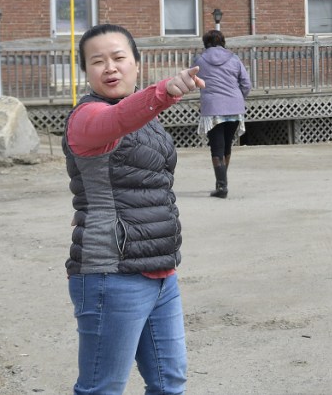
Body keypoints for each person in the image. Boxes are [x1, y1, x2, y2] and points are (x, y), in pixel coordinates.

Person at [63, 23, 204, 395]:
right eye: (97, 61)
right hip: (111, 273)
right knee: (102, 388)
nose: (109, 67)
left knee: (169, 382)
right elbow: (119, 119)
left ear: (136, 64)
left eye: (118, 58)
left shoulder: (148, 120)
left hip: (160, 271)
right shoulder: (87, 119)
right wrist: (164, 92)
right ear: (87, 72)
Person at [193, 29, 252, 199]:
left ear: (206, 43)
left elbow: (191, 79)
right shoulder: (234, 58)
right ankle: (222, 183)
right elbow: (246, 83)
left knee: (216, 147)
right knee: (227, 146)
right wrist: (239, 97)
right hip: (235, 107)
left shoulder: (200, 60)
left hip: (213, 109)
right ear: (223, 42)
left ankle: (221, 186)